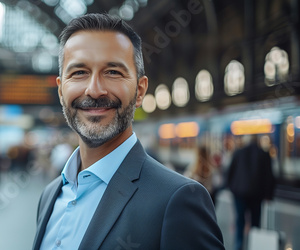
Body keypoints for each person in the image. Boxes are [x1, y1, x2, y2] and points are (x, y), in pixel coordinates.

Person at [32, 13, 224, 250]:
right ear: (61, 91)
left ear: (140, 91)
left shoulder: (178, 199)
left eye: (113, 72)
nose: (94, 90)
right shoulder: (50, 196)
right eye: (79, 72)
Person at [226, 134, 276, 250]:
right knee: (255, 222)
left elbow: (229, 172)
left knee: (240, 220)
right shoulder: (264, 154)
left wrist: (231, 188)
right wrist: (268, 195)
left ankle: (238, 246)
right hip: (257, 194)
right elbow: (269, 176)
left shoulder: (238, 152)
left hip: (239, 193)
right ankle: (255, 245)